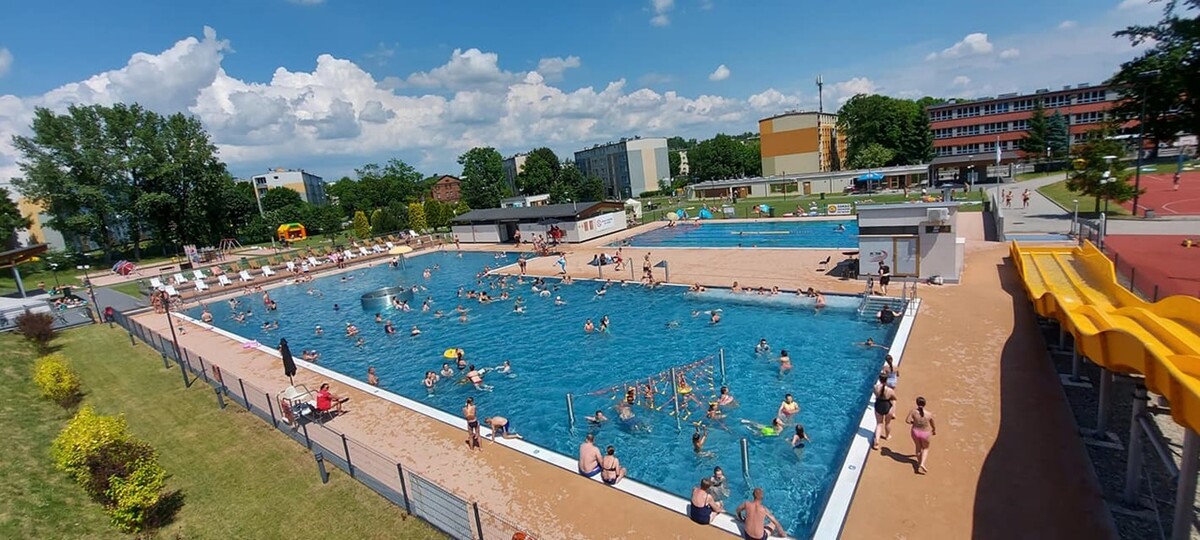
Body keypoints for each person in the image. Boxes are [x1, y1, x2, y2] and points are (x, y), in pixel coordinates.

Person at [906, 396, 937, 474]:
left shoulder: (913, 411)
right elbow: (933, 424)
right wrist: (934, 430)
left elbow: (907, 421)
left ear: (917, 403)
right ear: (925, 404)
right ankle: (922, 463)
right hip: (925, 433)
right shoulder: (929, 414)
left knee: (918, 447)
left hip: (915, 432)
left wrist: (914, 423)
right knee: (925, 448)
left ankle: (919, 462)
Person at [873, 374, 897, 449]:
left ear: (879, 379)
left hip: (878, 405)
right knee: (888, 423)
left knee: (879, 424)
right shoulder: (890, 390)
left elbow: (876, 394)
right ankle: (887, 436)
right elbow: (894, 398)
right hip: (887, 406)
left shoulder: (875, 387)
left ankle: (877, 441)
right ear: (886, 380)